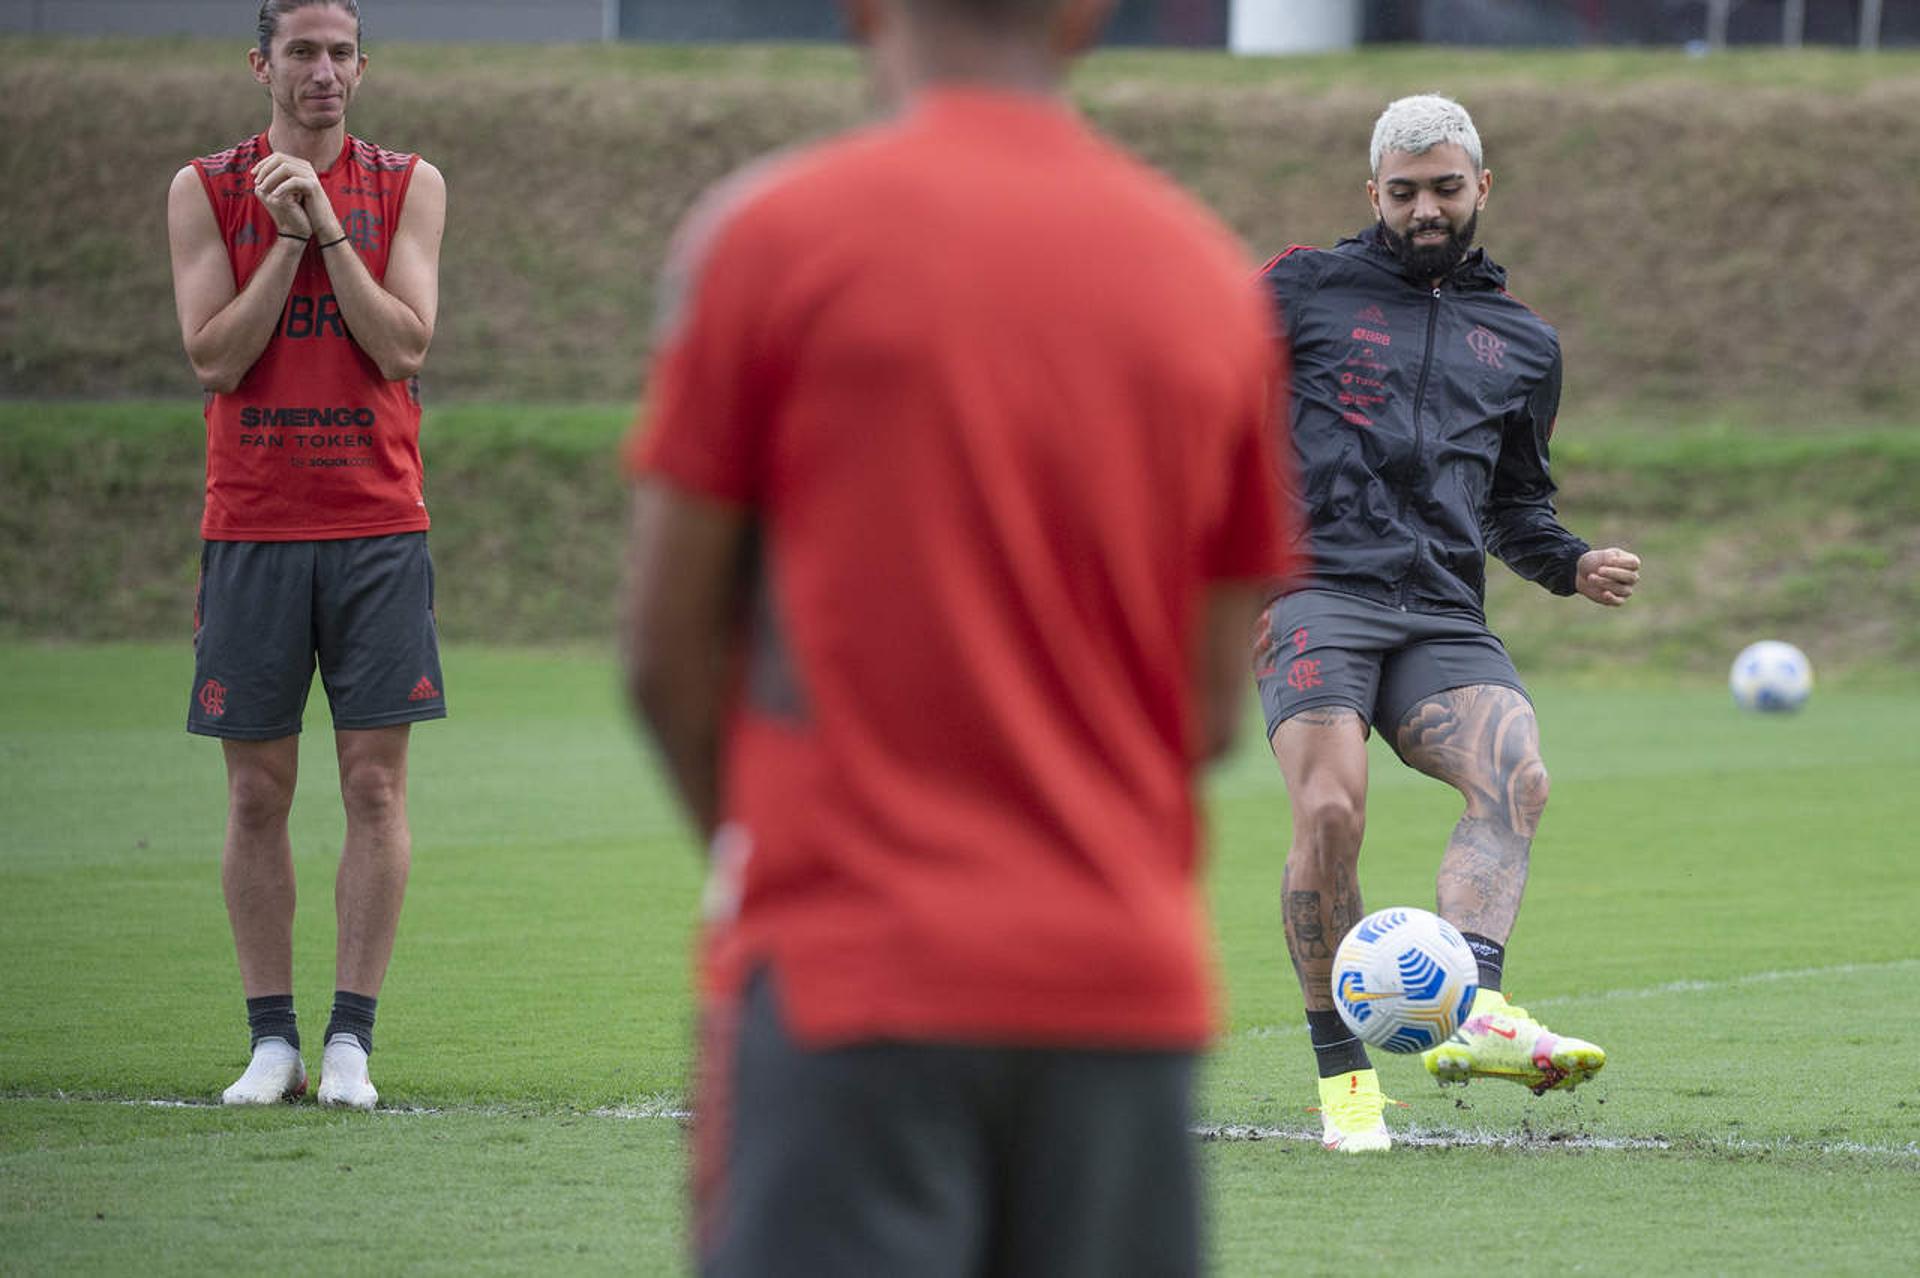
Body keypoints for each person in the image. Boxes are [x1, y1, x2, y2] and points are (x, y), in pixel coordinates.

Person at [621, 0, 1300, 1270]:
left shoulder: (770, 239)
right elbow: (1210, 710)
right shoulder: (1208, 279)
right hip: (1119, 988)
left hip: (853, 983)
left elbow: (662, 652)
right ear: (1090, 17)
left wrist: (783, 854)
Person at [1253, 94, 1640, 1153]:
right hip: (1313, 590)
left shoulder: (1523, 343)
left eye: (1447, 188)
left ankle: (1479, 1012)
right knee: (1330, 812)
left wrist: (1570, 564)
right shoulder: (1302, 289)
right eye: (1407, 190)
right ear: (1373, 193)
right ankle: (1347, 1085)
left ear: (1482, 188)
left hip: (1437, 610)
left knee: (1519, 778)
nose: (1428, 207)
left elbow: (1516, 503)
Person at [166, 0, 447, 1111]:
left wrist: (330, 226)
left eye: (340, 53)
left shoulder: (409, 184)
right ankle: (271, 1041)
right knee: (254, 798)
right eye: (302, 52)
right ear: (262, 64)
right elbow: (213, 359)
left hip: (378, 526)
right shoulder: (204, 189)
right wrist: (284, 234)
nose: (323, 70)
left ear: (363, 67)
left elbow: (404, 343)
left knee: (375, 788)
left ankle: (349, 1046)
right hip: (253, 526)